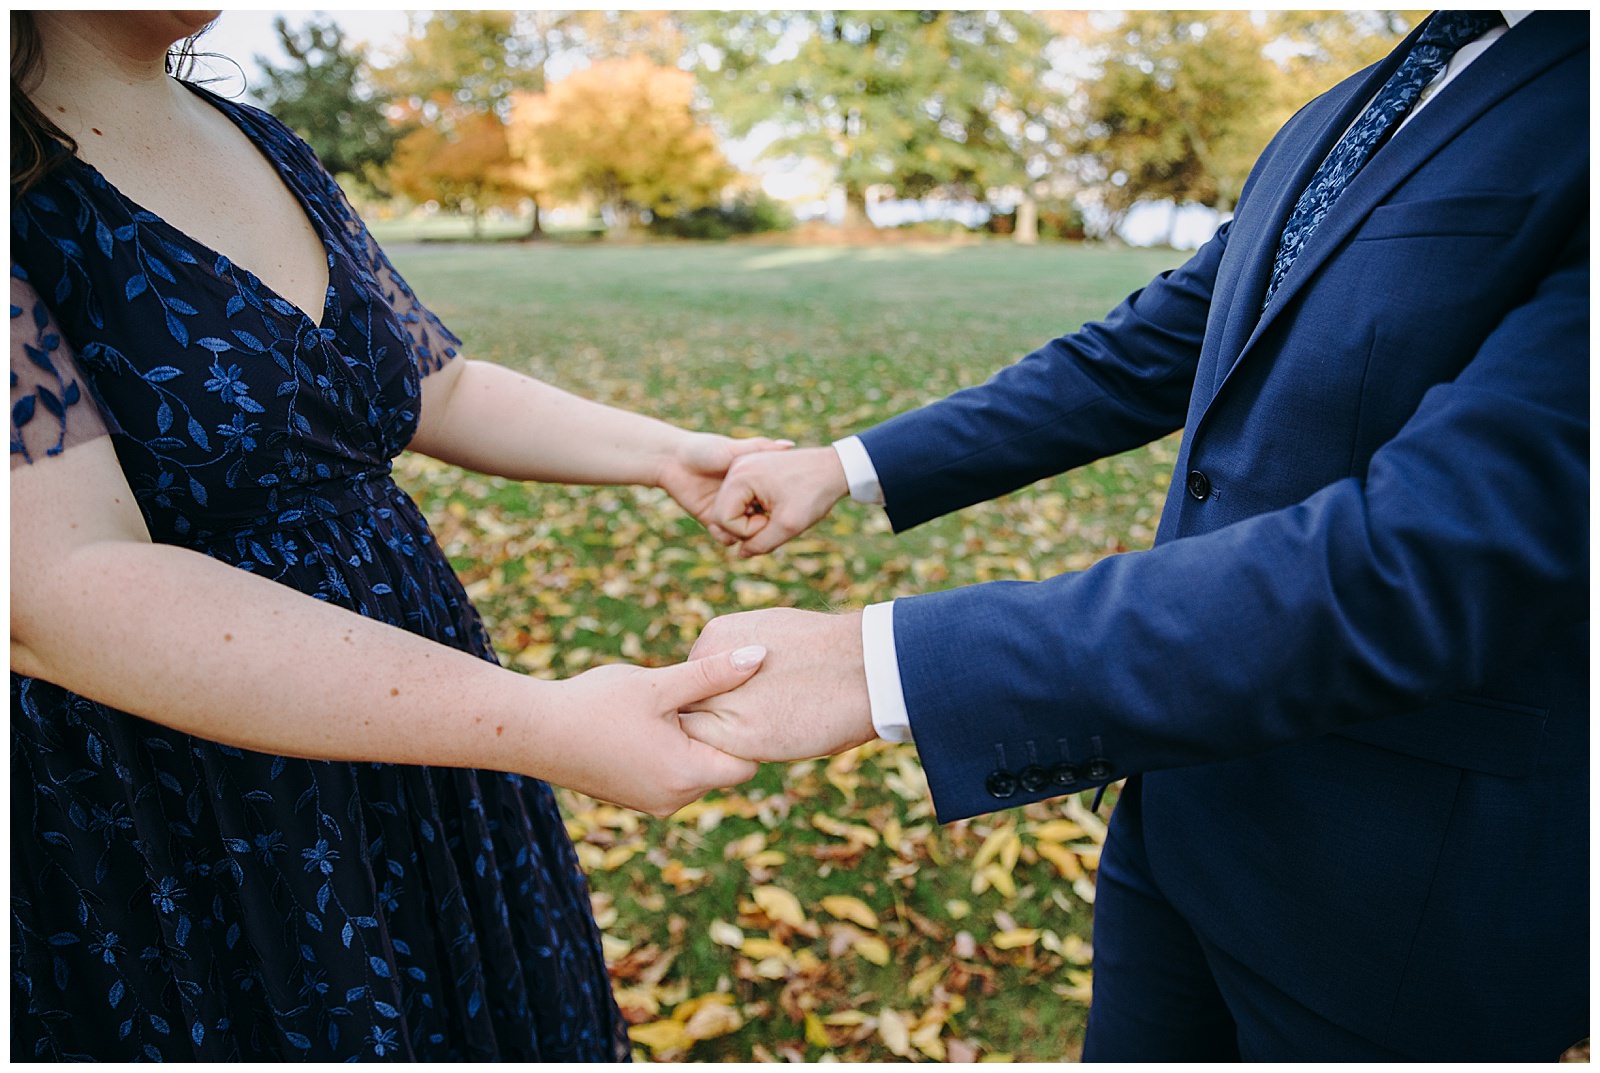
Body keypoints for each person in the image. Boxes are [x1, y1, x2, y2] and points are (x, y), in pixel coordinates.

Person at [680, 10, 1588, 1061]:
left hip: (1401, 891)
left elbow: (1440, 551)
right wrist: (844, 463)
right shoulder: (1348, 104)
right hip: (1179, 810)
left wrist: (876, 665)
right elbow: (1140, 352)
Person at [9, 10, 782, 1062]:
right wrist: (541, 722)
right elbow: (57, 591)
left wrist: (666, 452)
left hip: (428, 725)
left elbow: (432, 384)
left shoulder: (262, 138)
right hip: (192, 795)